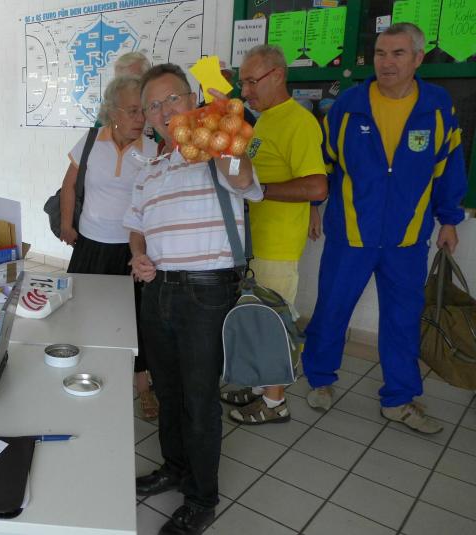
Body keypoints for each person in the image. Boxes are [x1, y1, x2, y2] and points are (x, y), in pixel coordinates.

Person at [301, 23, 467, 434]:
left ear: (418, 58)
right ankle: (320, 379)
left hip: (406, 240)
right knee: (332, 310)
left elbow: (449, 168)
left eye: (397, 53)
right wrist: (314, 206)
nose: (386, 62)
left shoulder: (437, 106)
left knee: (402, 320)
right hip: (350, 236)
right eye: (380, 53)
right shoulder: (349, 105)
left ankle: (399, 399)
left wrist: (449, 219)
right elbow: (324, 162)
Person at [126, 64, 262, 534]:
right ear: (147, 117)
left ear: (192, 100)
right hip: (157, 291)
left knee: (199, 400)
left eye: (172, 99)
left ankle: (202, 498)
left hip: (207, 292)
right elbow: (136, 226)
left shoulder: (215, 153)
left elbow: (243, 181)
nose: (164, 110)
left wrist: (224, 129)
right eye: (153, 105)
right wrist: (139, 255)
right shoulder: (149, 168)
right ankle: (175, 467)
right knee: (167, 392)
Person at [220, 45, 327, 425]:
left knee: (273, 325)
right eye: (243, 82)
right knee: (254, 320)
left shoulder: (298, 122)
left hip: (277, 246)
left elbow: (317, 186)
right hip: (255, 243)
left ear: (278, 75)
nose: (245, 91)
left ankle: (275, 402)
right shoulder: (265, 121)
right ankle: (256, 386)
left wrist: (259, 191)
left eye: (252, 81)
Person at [59, 75, 159, 419]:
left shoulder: (152, 150)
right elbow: (69, 185)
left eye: (143, 110)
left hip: (131, 251)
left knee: (136, 320)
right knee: (80, 312)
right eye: (132, 111)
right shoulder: (90, 141)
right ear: (113, 111)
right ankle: (80, 373)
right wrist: (67, 224)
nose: (140, 118)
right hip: (89, 245)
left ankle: (143, 387)